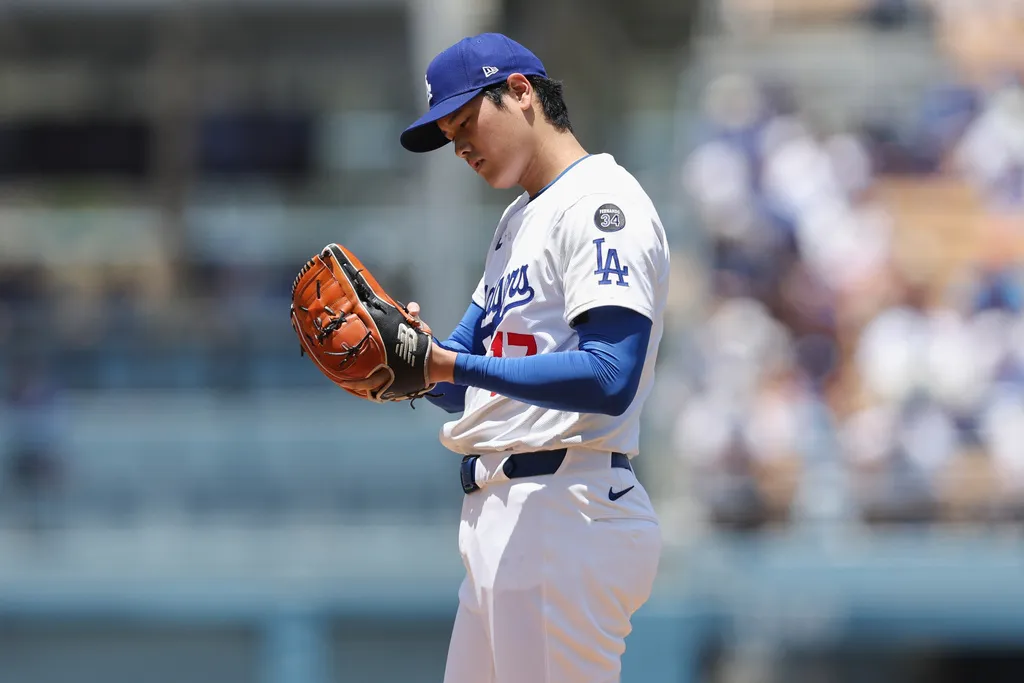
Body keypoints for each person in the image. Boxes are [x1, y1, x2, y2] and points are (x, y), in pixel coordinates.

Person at [344, 32, 670, 683]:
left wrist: (448, 366)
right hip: (509, 512)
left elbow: (610, 373)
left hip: (566, 506)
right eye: (448, 135)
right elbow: (460, 377)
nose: (460, 146)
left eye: (466, 122)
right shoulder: (517, 222)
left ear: (520, 92)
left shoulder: (602, 204)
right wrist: (412, 360)